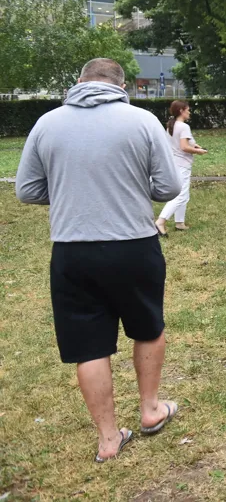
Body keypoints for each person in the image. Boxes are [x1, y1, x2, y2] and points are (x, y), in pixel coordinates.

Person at [15, 58, 183, 463]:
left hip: (72, 250)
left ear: (78, 83)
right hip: (133, 245)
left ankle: (109, 440)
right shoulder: (141, 121)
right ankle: (150, 410)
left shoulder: (47, 123)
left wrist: (74, 192)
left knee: (88, 345)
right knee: (147, 327)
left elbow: (27, 190)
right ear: (123, 87)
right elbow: (169, 186)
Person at [155, 101, 207, 235]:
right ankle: (160, 222)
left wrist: (194, 146)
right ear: (181, 111)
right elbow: (184, 147)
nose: (189, 112)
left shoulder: (171, 126)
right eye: (188, 110)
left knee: (183, 194)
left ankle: (180, 223)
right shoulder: (184, 127)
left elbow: (178, 144)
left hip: (174, 163)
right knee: (181, 196)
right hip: (182, 164)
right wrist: (198, 151)